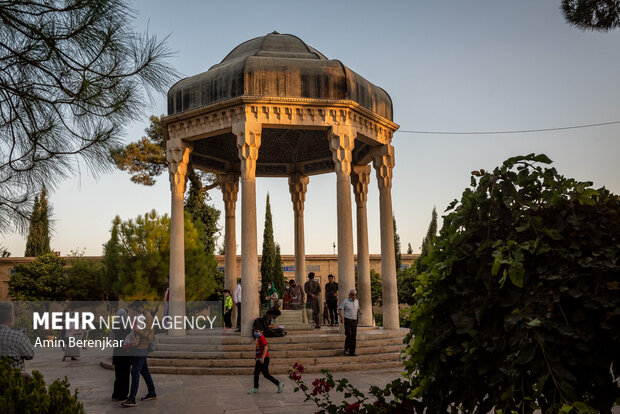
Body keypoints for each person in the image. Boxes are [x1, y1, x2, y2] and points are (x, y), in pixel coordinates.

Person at [122, 301, 156, 407]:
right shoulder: (142, 316)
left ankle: (132, 399)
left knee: (135, 371)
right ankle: (152, 392)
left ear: (140, 307)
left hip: (143, 347)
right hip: (139, 346)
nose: (134, 311)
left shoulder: (147, 317)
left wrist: (135, 330)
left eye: (135, 309)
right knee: (144, 371)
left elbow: (147, 334)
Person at [247, 323, 285, 394]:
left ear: (261, 331)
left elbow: (265, 347)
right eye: (255, 331)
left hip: (263, 359)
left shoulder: (262, 338)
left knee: (265, 374)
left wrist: (262, 358)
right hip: (260, 359)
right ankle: (256, 388)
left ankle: (279, 384)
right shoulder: (259, 338)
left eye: (257, 331)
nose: (255, 333)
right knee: (257, 373)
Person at [0, 302, 34, 371]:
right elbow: (30, 354)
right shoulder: (18, 336)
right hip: (15, 379)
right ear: (10, 318)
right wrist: (27, 340)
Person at [111, 306, 133, 401]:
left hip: (117, 352)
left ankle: (116, 394)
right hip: (125, 352)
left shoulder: (114, 325)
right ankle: (123, 394)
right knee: (125, 374)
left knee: (118, 375)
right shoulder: (127, 326)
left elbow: (111, 339)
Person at [338, 289, 361, 357]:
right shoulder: (345, 301)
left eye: (355, 295)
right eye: (353, 295)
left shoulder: (357, 301)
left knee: (353, 336)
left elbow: (357, 308)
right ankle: (346, 350)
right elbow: (339, 309)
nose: (354, 296)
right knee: (349, 335)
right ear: (350, 295)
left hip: (354, 321)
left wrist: (359, 311)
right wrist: (341, 317)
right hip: (348, 320)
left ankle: (352, 352)